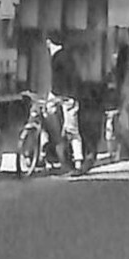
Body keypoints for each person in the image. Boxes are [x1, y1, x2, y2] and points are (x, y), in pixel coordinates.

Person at [46, 34, 84, 173]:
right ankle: (78, 161)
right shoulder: (68, 56)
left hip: (62, 95)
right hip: (69, 96)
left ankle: (53, 155)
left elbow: (58, 82)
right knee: (72, 129)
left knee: (55, 123)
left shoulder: (57, 57)